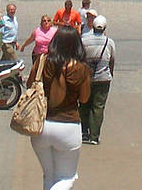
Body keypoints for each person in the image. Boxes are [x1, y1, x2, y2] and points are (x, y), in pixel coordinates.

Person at [29, 24, 90, 190]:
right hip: (68, 126)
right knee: (67, 178)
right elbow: (84, 99)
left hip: (41, 125)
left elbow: (29, 86)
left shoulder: (41, 61)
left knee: (49, 175)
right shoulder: (81, 68)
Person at [79, 10, 114, 145]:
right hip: (103, 78)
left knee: (84, 104)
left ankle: (84, 132)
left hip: (86, 78)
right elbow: (112, 61)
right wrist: (110, 73)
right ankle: (94, 136)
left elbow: (80, 58)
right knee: (98, 106)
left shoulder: (84, 40)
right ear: (105, 28)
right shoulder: (109, 42)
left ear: (92, 27)